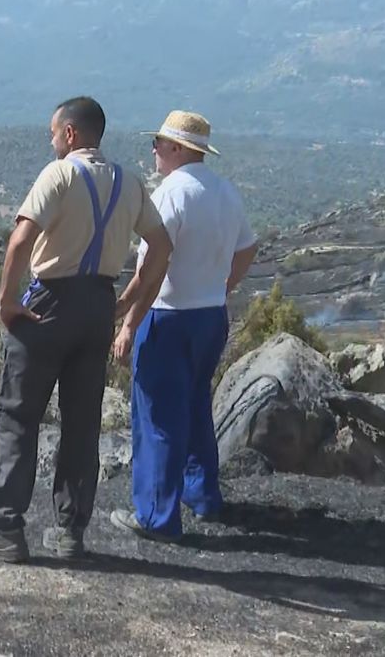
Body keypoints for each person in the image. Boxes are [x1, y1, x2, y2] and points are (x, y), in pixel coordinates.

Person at [0, 96, 172, 563]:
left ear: (71, 134)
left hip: (48, 304)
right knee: (81, 423)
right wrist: (128, 300)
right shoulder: (130, 182)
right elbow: (161, 246)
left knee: (18, 417)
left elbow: (20, 240)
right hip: (97, 303)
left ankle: (6, 532)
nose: (51, 140)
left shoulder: (59, 175)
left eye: (54, 133)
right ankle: (70, 532)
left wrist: (7, 302)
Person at [109, 110, 258, 543]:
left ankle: (156, 517)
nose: (153, 149)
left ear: (176, 148)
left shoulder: (172, 193)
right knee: (195, 406)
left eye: (158, 142)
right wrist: (221, 286)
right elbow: (248, 249)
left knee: (157, 418)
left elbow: (153, 265)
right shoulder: (226, 191)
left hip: (168, 317)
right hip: (211, 317)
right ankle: (203, 496)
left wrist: (126, 317)